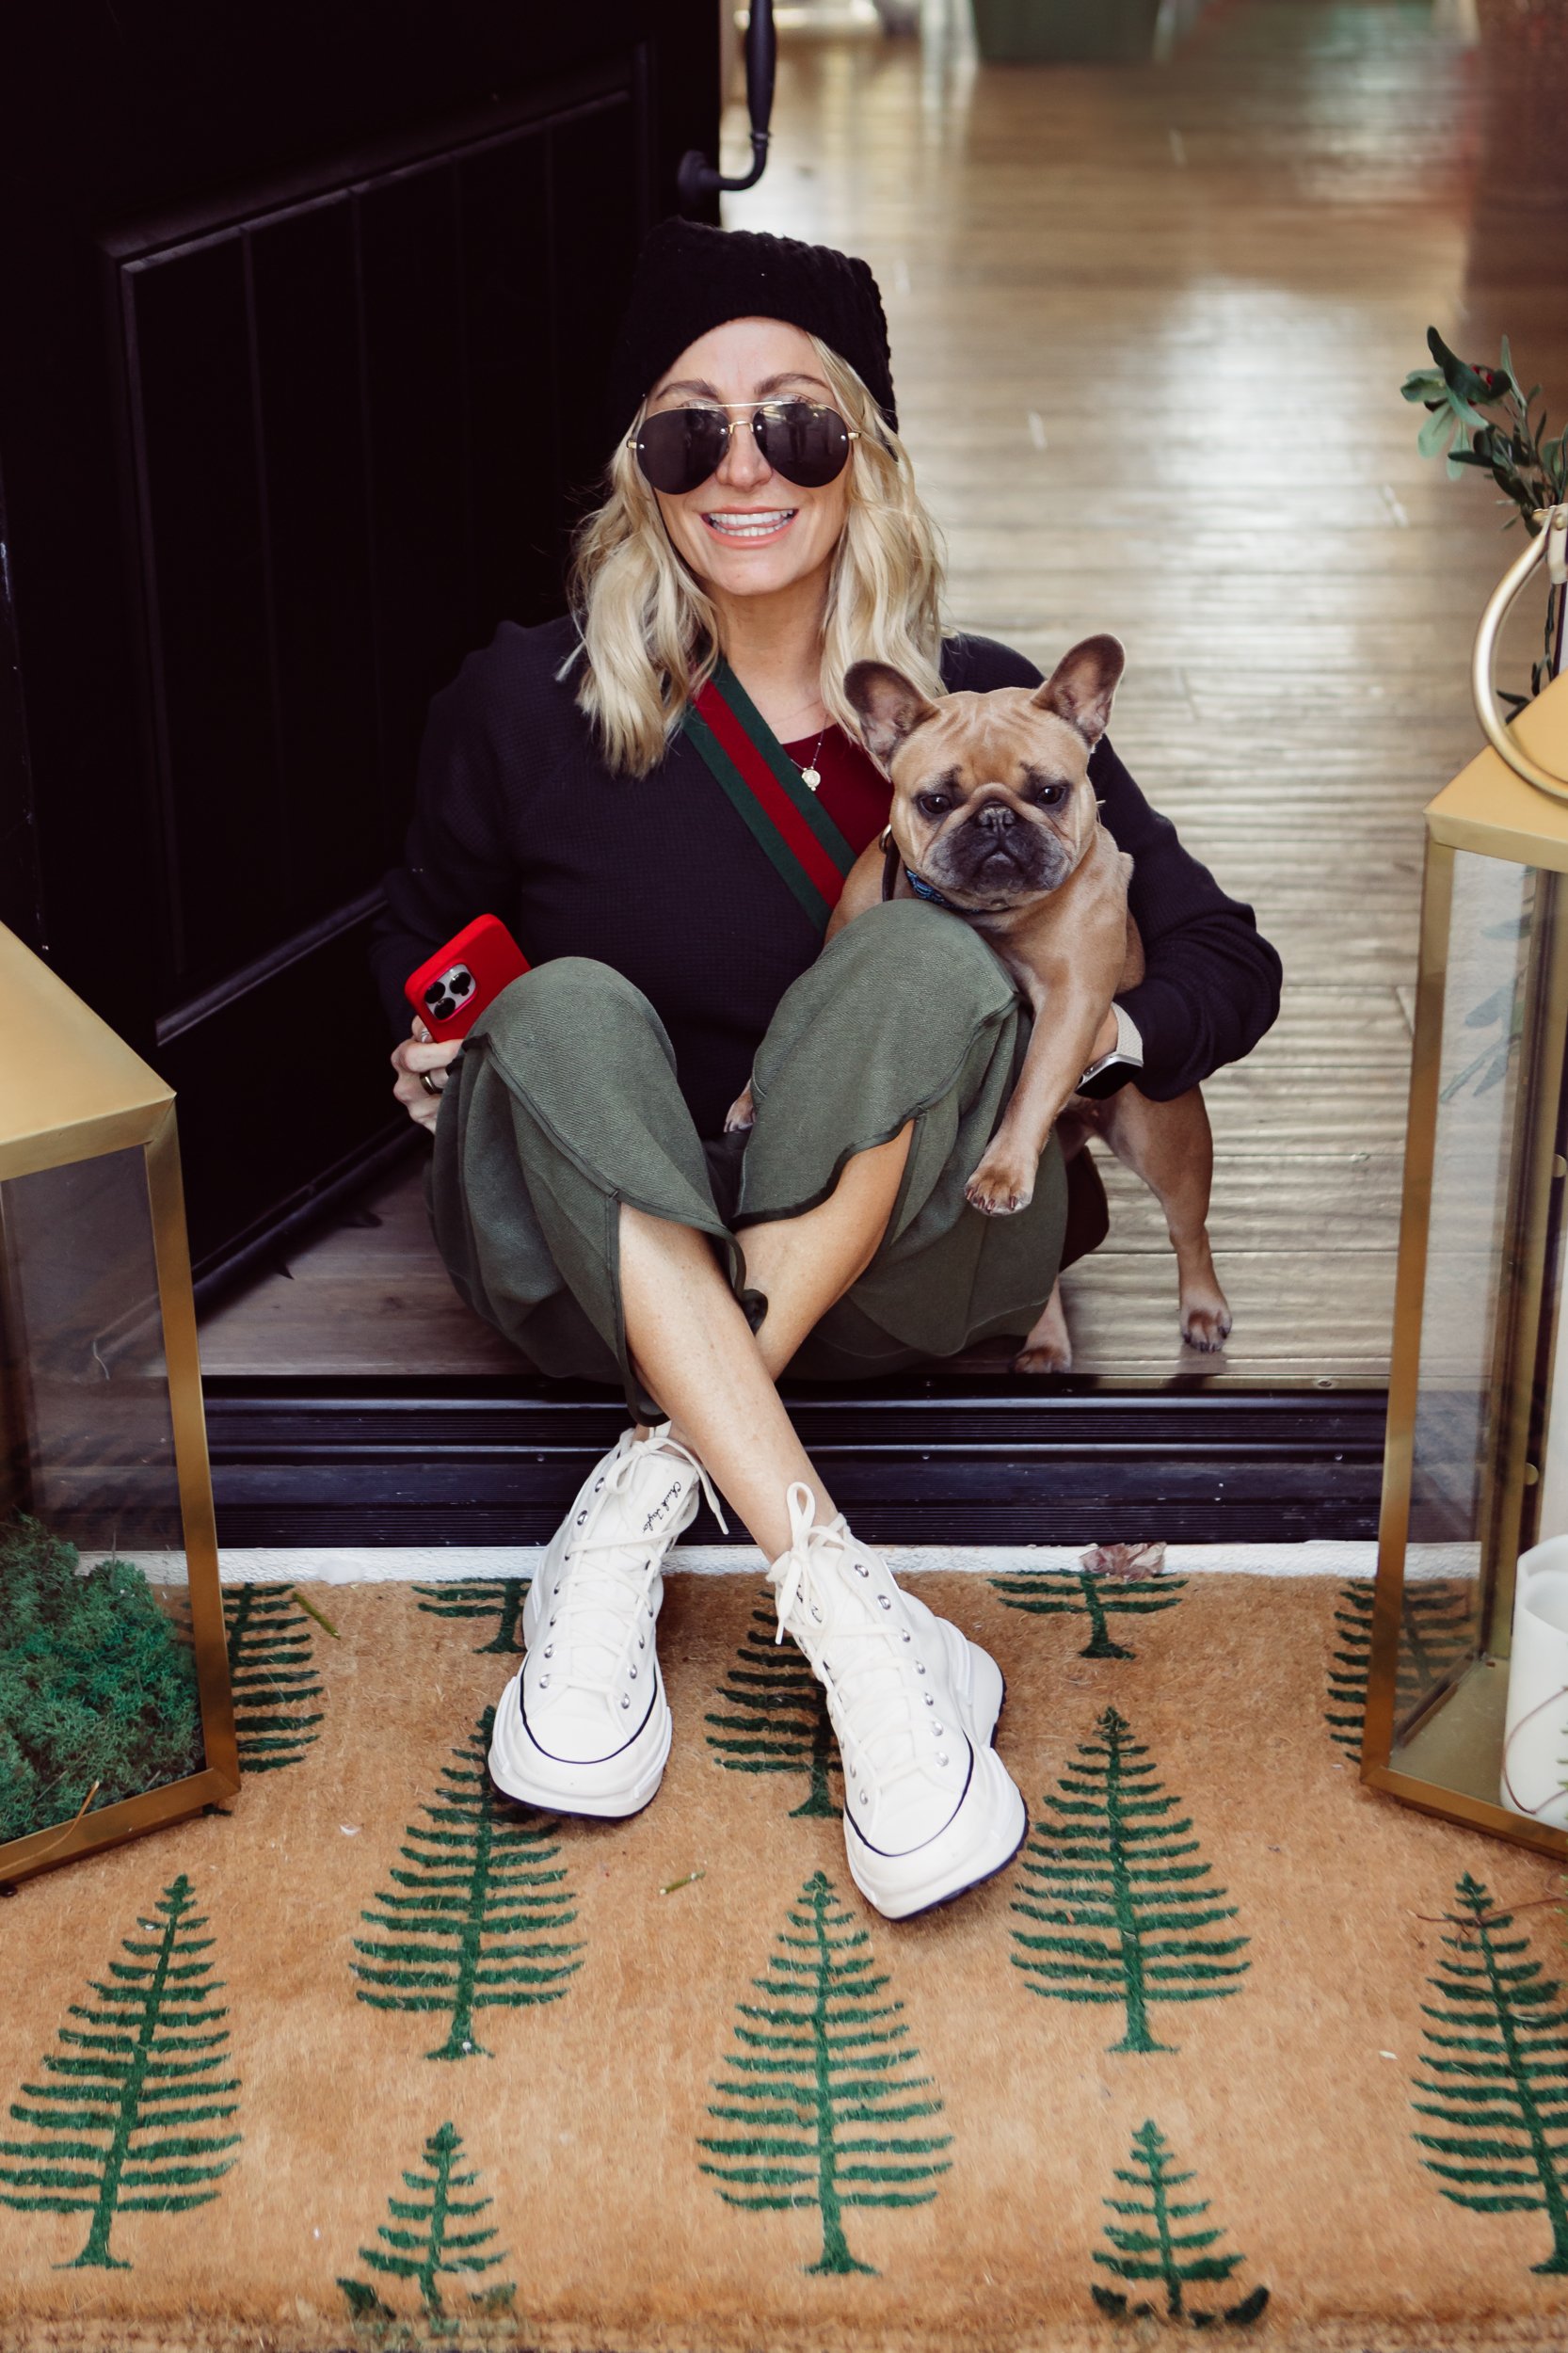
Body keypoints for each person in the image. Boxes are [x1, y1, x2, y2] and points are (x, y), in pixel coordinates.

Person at [369, 219, 1281, 1921]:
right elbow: (414, 937)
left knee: (930, 955)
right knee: (557, 1007)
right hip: (601, 1259)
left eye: (792, 421)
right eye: (684, 429)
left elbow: (1229, 961)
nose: (741, 468)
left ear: (864, 453)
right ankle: (852, 1614)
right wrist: (429, 1044)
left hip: (898, 1270)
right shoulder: (521, 700)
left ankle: (646, 1487)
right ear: (637, 474)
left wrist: (1091, 1033)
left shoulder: (995, 718)